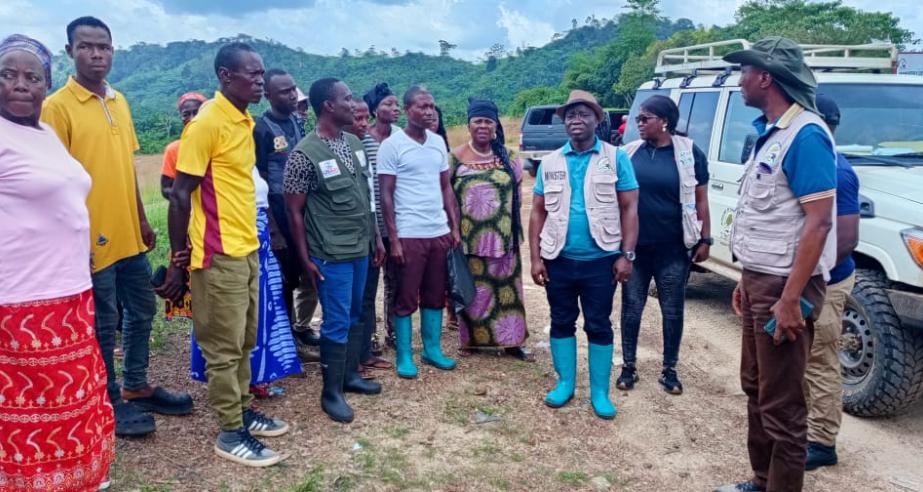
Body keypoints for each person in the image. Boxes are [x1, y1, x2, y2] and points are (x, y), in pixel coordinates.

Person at [41, 16, 192, 438]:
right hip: (89, 240)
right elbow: (54, 181)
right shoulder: (56, 108)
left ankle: (137, 385)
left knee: (143, 311)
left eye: (104, 47)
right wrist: (73, 240)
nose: (97, 54)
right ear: (69, 51)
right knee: (104, 323)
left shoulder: (119, 101)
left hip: (129, 237)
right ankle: (106, 399)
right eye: (86, 46)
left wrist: (142, 219)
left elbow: (125, 167)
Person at [715, 37, 838, 492]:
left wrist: (789, 300)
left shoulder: (806, 134)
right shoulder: (772, 133)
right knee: (756, 388)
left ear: (765, 77)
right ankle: (762, 479)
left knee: (783, 404)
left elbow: (820, 223)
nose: (739, 79)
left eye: (744, 71)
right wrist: (747, 280)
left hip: (788, 288)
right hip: (761, 282)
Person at [158, 42, 288, 467]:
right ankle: (230, 431)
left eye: (261, 73)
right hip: (217, 255)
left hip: (246, 246)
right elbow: (180, 195)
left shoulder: (243, 120)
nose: (259, 81)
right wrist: (181, 260)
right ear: (225, 77)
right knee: (224, 346)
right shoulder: (207, 122)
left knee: (246, 339)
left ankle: (244, 408)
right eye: (251, 74)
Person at [0, 33, 115, 492]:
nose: (21, 85)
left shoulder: (45, 133)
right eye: (8, 75)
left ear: (47, 85)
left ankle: (77, 476)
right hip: (19, 300)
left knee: (71, 395)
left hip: (69, 289)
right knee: (28, 406)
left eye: (33, 77)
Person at [529, 89, 639, 420]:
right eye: (571, 115)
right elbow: (537, 212)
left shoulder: (615, 157)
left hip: (601, 261)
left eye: (584, 114)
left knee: (598, 324)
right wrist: (535, 258)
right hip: (558, 259)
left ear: (598, 119)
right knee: (561, 321)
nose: (577, 120)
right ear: (564, 121)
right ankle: (565, 384)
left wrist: (627, 255)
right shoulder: (549, 163)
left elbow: (630, 207)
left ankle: (600, 392)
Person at [283, 77, 386, 423]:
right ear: (328, 106)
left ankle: (350, 376)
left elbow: (366, 197)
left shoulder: (355, 143)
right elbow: (294, 212)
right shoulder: (304, 155)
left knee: (356, 313)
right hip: (331, 253)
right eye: (347, 98)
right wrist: (305, 259)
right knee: (337, 320)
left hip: (361, 247)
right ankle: (331, 392)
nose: (353, 103)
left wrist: (377, 239)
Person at [617, 95, 712, 394]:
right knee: (632, 309)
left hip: (673, 249)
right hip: (636, 250)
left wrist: (705, 237)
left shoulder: (688, 152)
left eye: (645, 119)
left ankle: (669, 369)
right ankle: (628, 366)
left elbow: (700, 199)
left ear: (665, 120)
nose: (639, 124)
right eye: (638, 119)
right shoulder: (629, 152)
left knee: (672, 310)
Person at [189, 166, 303, 390]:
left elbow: (261, 200)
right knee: (233, 315)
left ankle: (254, 376)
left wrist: (272, 232)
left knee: (259, 313)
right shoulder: (209, 148)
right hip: (230, 240)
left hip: (258, 240)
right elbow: (184, 196)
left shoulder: (244, 151)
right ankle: (234, 389)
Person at [378, 86, 462, 379]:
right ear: (408, 109)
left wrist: (454, 225)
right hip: (409, 233)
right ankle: (404, 354)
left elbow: (445, 187)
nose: (429, 112)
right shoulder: (392, 145)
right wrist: (395, 239)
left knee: (435, 294)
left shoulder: (438, 143)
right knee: (405, 296)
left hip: (436, 231)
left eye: (432, 106)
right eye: (423, 106)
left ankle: (432, 349)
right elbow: (385, 194)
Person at [449, 98, 531, 361]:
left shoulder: (511, 158)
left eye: (488, 121)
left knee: (508, 291)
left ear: (495, 125)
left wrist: (514, 232)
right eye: (478, 121)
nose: (483, 126)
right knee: (474, 292)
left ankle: (512, 342)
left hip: (504, 239)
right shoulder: (455, 158)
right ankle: (471, 341)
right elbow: (448, 198)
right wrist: (453, 231)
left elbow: (517, 197)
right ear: (469, 124)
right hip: (469, 239)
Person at [803, 95, 860, 471]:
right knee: (804, 358)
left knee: (820, 360)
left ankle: (822, 441)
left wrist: (808, 280)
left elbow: (845, 239)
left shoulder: (837, 171)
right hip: (811, 278)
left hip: (827, 280)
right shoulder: (819, 163)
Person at [252, 68, 320, 352]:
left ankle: (301, 328)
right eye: (284, 91)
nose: (292, 95)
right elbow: (259, 177)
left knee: (309, 270)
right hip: (279, 211)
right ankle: (286, 341)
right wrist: (274, 229)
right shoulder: (262, 129)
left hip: (305, 207)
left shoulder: (297, 121)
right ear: (268, 95)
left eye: (293, 89)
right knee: (284, 277)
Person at [345, 97, 394, 375]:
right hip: (343, 240)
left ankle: (363, 353)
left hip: (370, 232)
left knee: (365, 298)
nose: (363, 124)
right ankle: (350, 360)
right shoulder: (332, 148)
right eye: (357, 118)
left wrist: (378, 237)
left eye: (365, 118)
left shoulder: (367, 146)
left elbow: (373, 196)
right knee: (348, 302)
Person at [365, 82, 402, 347]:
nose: (395, 108)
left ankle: (393, 331)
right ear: (375, 109)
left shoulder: (401, 136)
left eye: (397, 104)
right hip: (371, 221)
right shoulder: (361, 138)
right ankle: (369, 336)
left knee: (396, 279)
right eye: (388, 104)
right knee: (369, 283)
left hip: (397, 220)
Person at [161, 91, 206, 199]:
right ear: (181, 117)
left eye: (196, 113)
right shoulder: (173, 149)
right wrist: (183, 195)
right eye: (186, 114)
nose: (192, 119)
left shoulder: (219, 143)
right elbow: (165, 188)